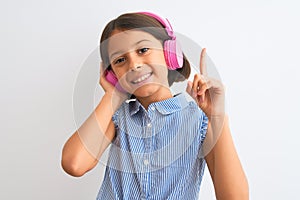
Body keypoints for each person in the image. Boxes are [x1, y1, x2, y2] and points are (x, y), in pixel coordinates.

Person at [61, 11, 249, 200]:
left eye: (143, 50)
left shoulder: (200, 121)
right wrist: (112, 96)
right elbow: (74, 164)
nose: (134, 65)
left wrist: (217, 117)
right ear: (112, 75)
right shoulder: (116, 117)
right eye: (120, 60)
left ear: (170, 53)